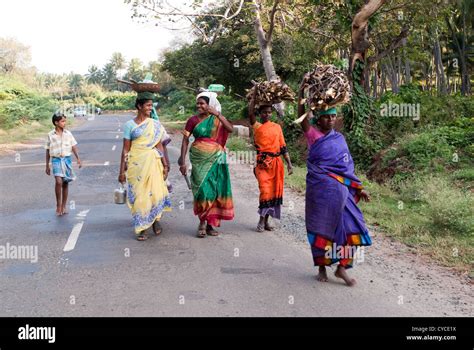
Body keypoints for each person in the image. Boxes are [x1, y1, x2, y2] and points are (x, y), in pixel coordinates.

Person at [298, 74, 372, 286]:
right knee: (323, 227)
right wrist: (301, 92)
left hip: (343, 192)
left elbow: (346, 168)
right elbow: (301, 115)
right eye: (326, 117)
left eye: (333, 116)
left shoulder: (339, 139)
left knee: (354, 228)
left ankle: (341, 268)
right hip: (321, 192)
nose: (331, 119)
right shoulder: (313, 135)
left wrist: (359, 188)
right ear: (317, 119)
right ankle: (322, 266)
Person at [178, 91, 234, 238]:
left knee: (214, 190)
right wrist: (182, 158)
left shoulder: (216, 119)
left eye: (202, 103)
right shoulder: (192, 120)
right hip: (198, 158)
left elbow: (230, 129)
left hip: (216, 158)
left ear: (210, 105)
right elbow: (185, 140)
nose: (199, 106)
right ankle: (202, 221)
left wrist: (218, 114)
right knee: (202, 190)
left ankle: (209, 224)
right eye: (198, 103)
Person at [118, 92, 172, 241]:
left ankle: (155, 220)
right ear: (139, 106)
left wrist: (165, 165)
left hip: (153, 163)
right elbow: (125, 149)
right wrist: (121, 170)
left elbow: (159, 145)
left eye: (151, 105)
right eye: (148, 105)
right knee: (140, 197)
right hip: (136, 165)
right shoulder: (129, 125)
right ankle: (141, 227)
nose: (150, 108)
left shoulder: (154, 124)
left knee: (155, 193)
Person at [248, 88, 293, 232]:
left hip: (276, 164)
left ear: (271, 113)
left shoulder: (277, 127)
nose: (266, 114)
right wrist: (254, 96)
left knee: (274, 193)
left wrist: (289, 164)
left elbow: (283, 147)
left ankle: (266, 221)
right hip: (262, 164)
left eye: (269, 112)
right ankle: (261, 221)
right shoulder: (257, 127)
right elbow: (250, 113)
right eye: (263, 112)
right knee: (265, 192)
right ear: (259, 114)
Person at [45, 113, 82, 216]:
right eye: (62, 121)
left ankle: (64, 206)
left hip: (67, 160)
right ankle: (58, 205)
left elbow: (73, 146)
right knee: (58, 181)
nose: (64, 123)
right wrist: (47, 165)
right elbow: (48, 150)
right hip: (56, 160)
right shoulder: (50, 135)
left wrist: (78, 158)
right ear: (56, 122)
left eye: (65, 121)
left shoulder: (68, 134)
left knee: (65, 182)